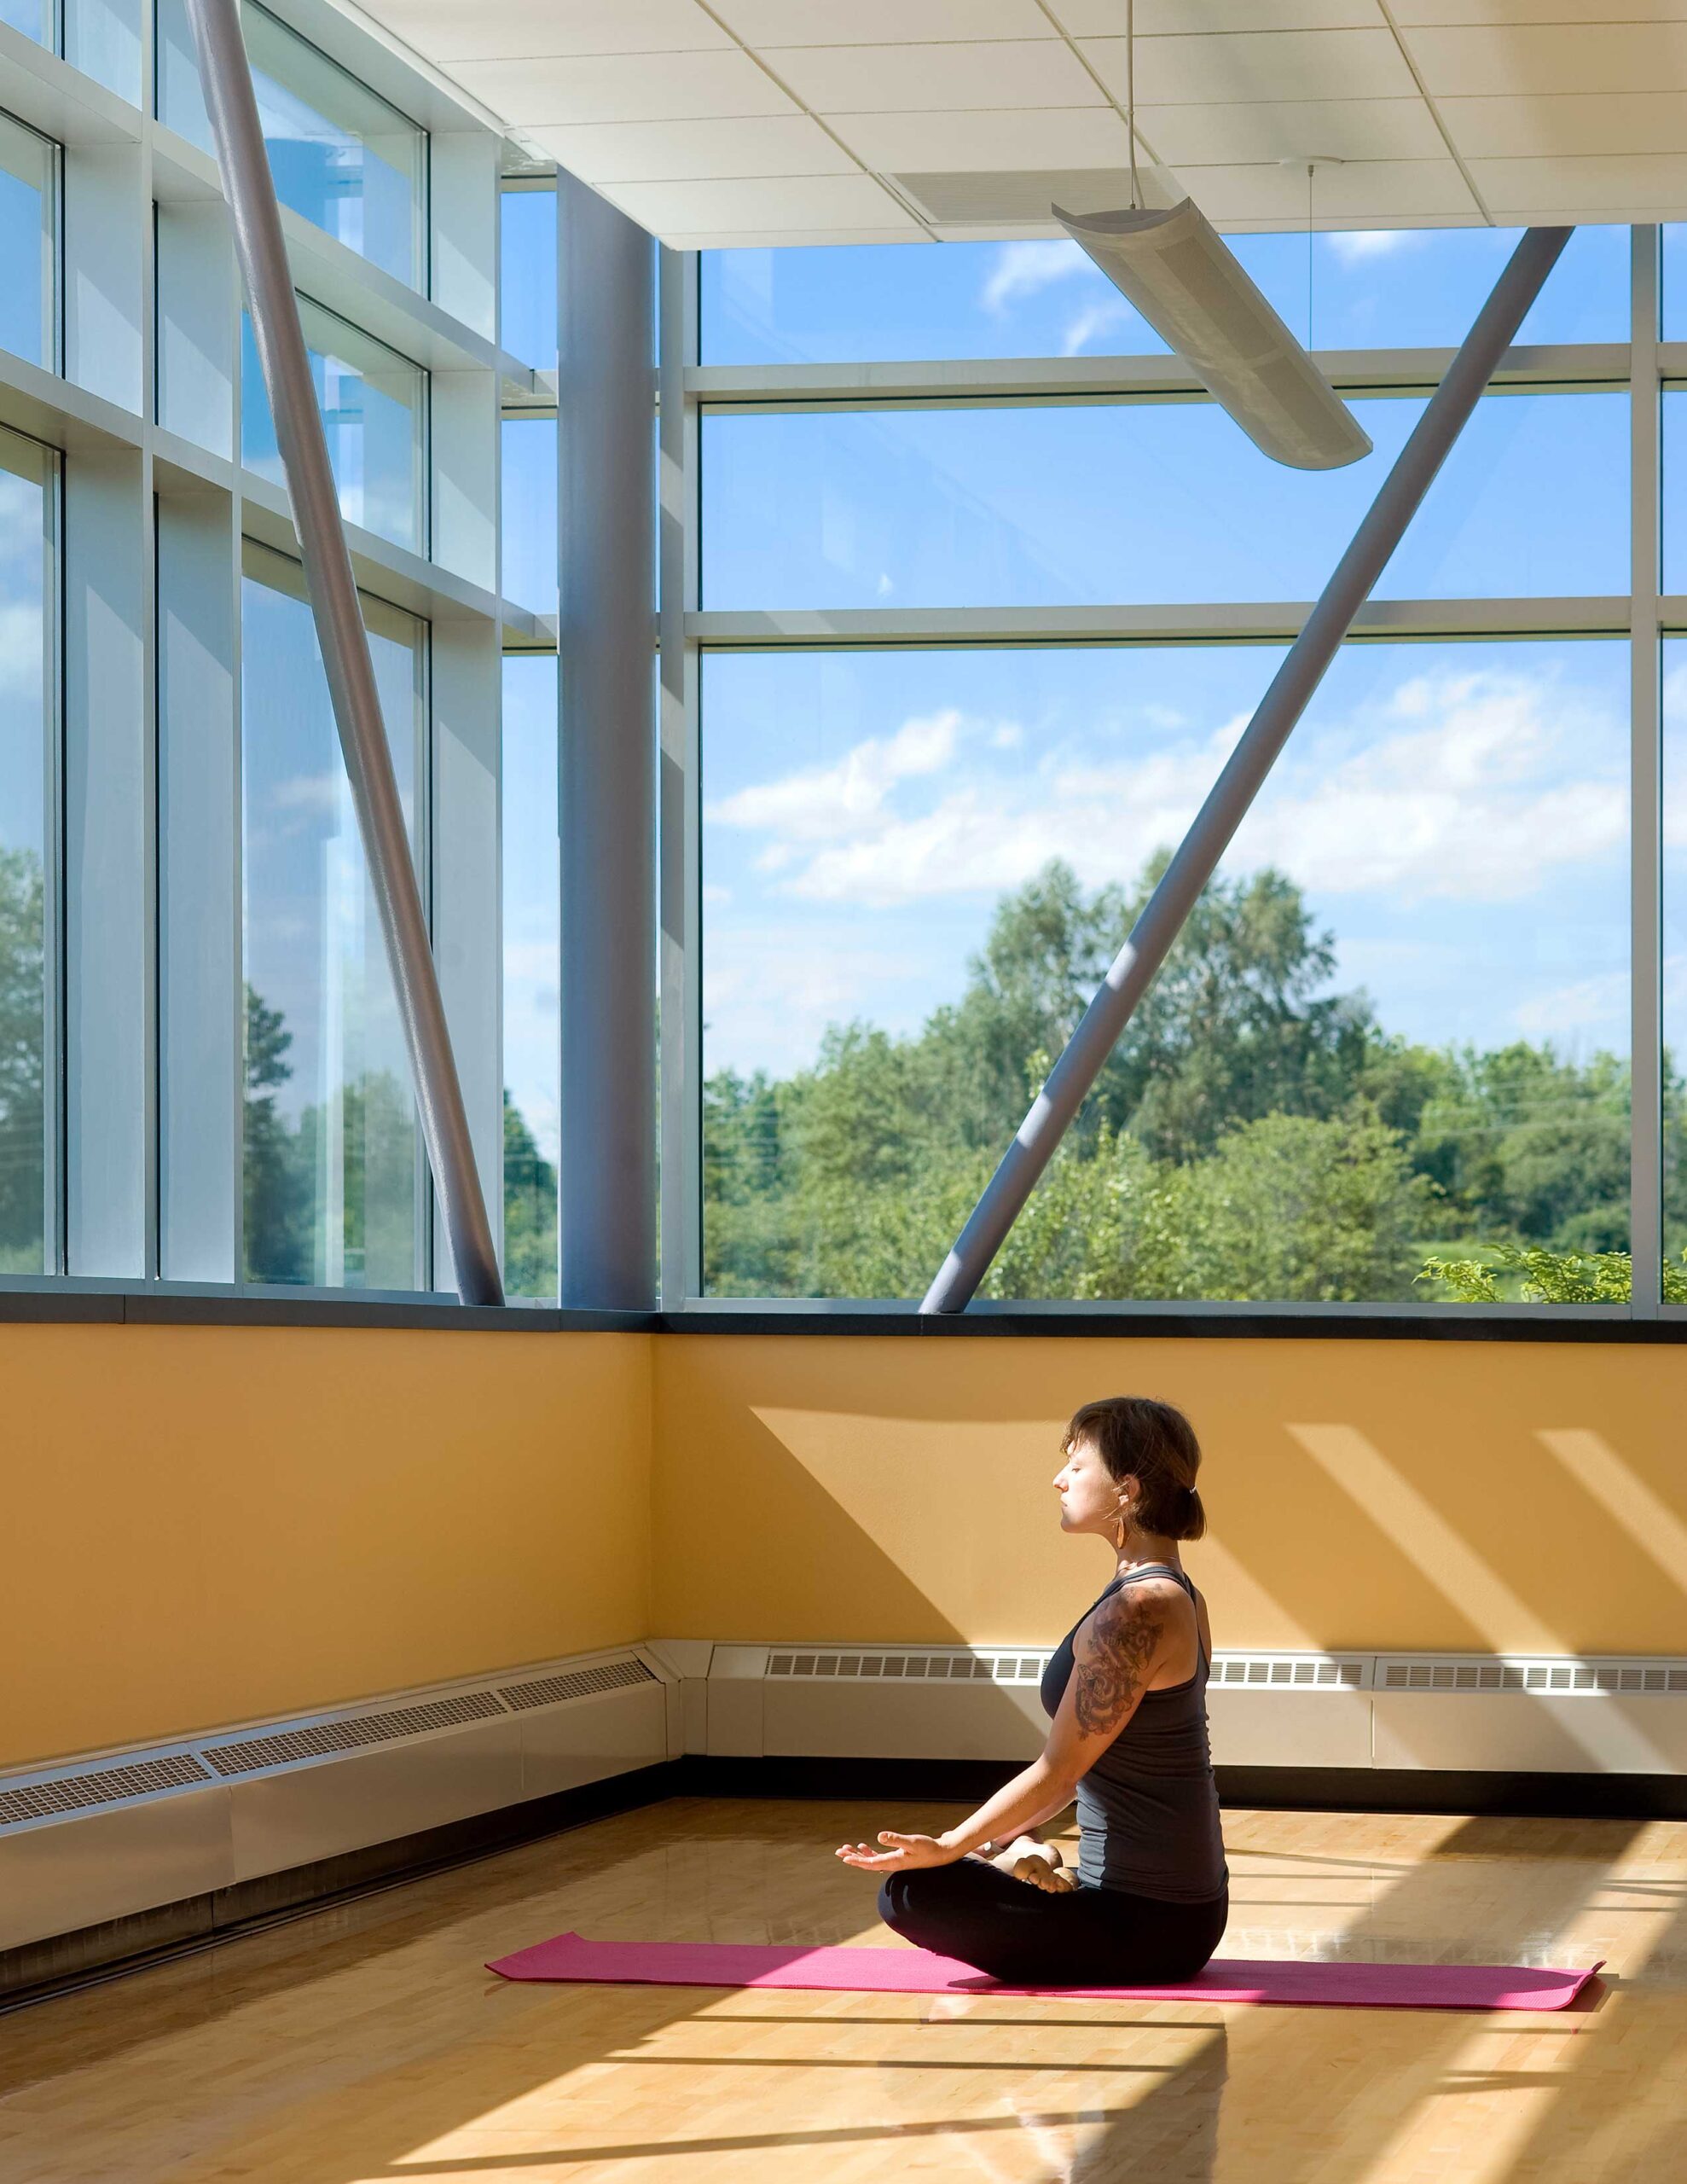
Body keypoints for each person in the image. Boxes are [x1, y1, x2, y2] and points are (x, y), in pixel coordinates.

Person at [835, 1395, 1229, 1986]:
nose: (1058, 1479)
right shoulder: (1174, 1594)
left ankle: (1034, 1865)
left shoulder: (1141, 1608)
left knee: (909, 1893)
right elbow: (1087, 1768)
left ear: (1126, 1489)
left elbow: (1060, 1769)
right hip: (1174, 1913)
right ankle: (1039, 1861)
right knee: (986, 1854)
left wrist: (948, 1845)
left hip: (1153, 1925)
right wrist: (1011, 1838)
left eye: (1076, 1465)